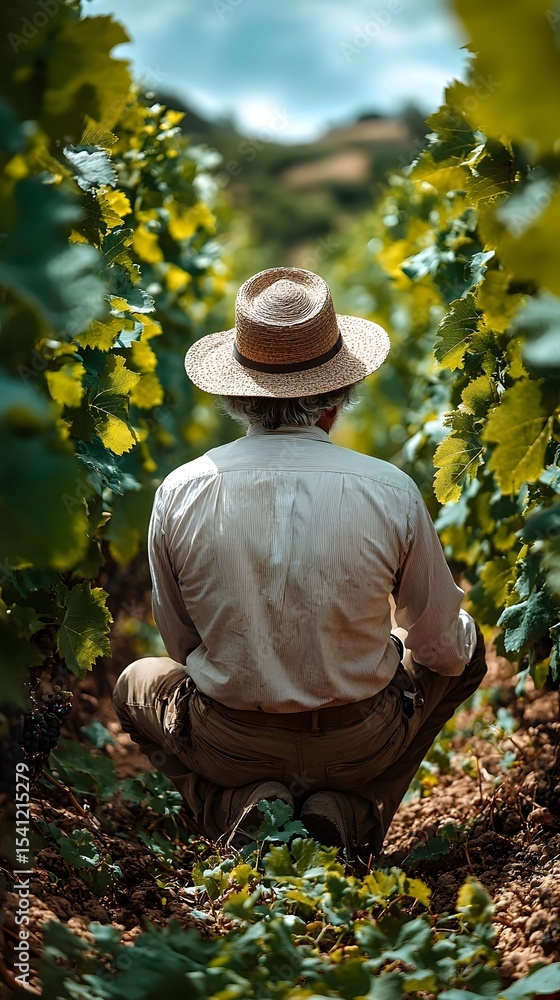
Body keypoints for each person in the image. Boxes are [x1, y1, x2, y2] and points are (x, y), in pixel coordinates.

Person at [112, 266, 487, 858]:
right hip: (360, 740)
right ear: (337, 399)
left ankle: (237, 807)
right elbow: (442, 647)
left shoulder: (182, 490)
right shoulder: (389, 490)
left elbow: (182, 645)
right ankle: (351, 812)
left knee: (136, 683)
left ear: (237, 396)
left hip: (229, 741)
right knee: (465, 654)